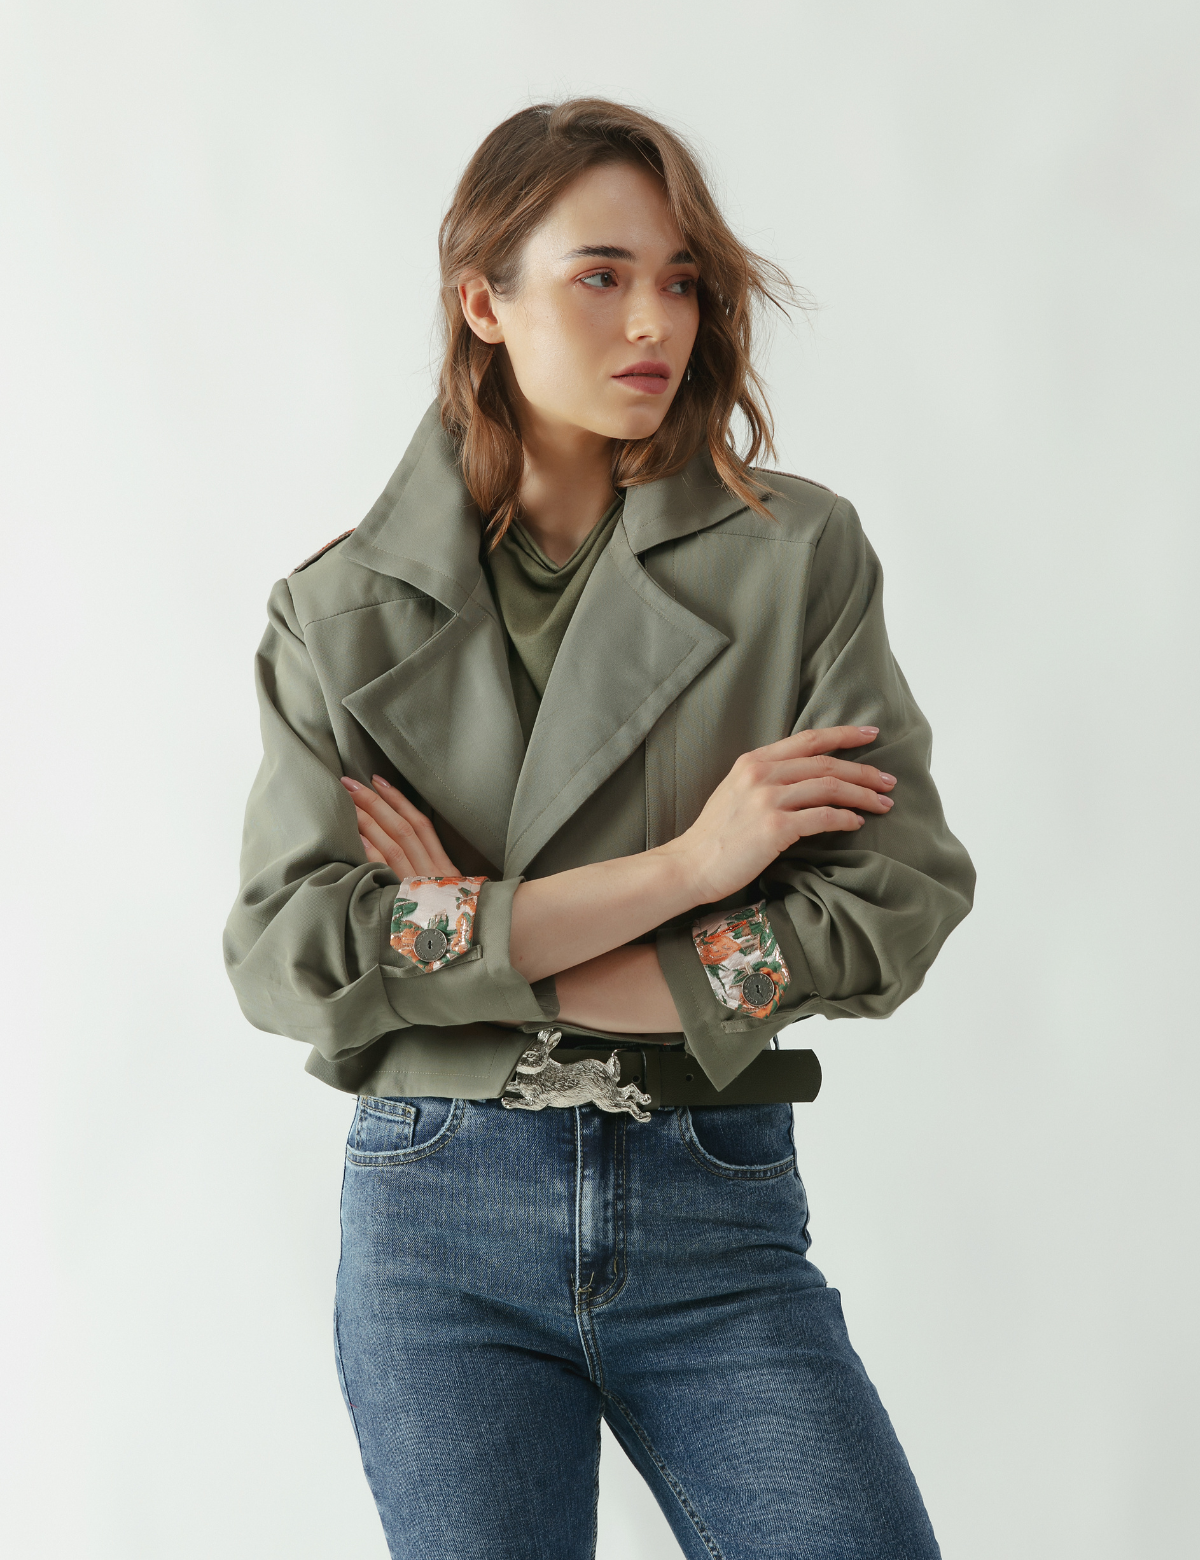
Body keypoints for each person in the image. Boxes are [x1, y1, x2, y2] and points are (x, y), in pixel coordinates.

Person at [224, 97, 974, 1560]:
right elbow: (289, 952)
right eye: (601, 275)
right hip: (438, 1219)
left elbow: (893, 899)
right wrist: (697, 869)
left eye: (682, 281)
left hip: (712, 1203)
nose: (655, 322)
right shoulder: (337, 612)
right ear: (482, 301)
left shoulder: (795, 556)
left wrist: (475, 943)